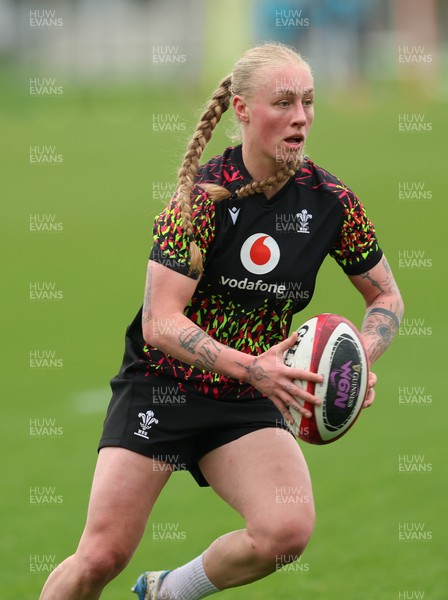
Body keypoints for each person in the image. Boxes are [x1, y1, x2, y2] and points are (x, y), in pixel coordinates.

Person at [39, 42, 404, 600]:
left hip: (249, 398)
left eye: (308, 102)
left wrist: (352, 358)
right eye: (284, 102)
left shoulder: (331, 201)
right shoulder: (201, 199)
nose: (301, 117)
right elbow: (162, 322)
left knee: (285, 532)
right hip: (163, 388)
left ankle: (168, 592)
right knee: (100, 557)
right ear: (242, 110)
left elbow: (386, 299)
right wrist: (251, 368)